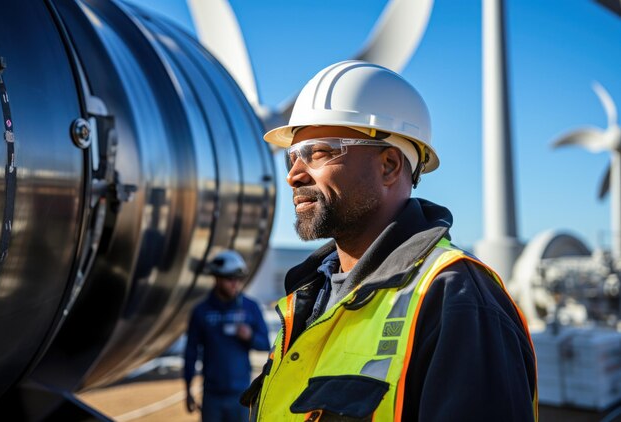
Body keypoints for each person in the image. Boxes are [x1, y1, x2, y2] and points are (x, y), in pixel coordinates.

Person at [241, 60, 538, 421]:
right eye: (292, 157)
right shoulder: (309, 296)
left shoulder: (455, 299)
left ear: (389, 166)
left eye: (318, 152)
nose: (293, 175)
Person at [184, 250, 270, 422]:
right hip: (211, 397)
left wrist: (249, 336)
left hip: (241, 397)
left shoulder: (250, 307)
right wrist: (188, 389)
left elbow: (265, 344)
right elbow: (190, 353)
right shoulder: (201, 311)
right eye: (229, 278)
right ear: (216, 278)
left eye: (238, 279)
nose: (234, 284)